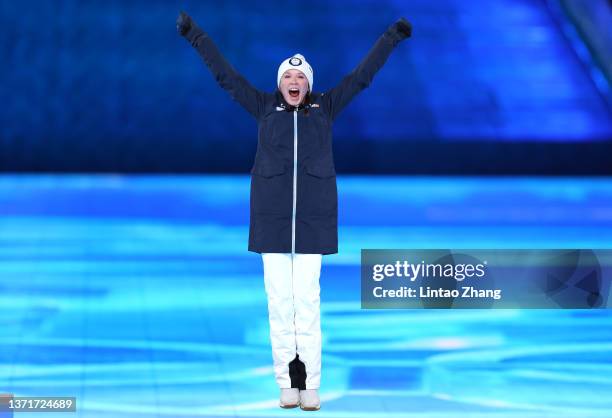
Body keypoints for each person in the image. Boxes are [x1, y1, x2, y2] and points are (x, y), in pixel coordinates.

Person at [176, 11, 412, 411]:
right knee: (279, 304)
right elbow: (225, 75)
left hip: (312, 222)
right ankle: (287, 382)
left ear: (309, 85)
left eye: (301, 78)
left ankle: (311, 384)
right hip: (271, 221)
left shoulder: (326, 108)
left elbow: (362, 76)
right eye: (288, 77)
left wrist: (392, 36)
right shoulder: (263, 108)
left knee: (307, 302)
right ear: (279, 83)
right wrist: (194, 34)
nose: (294, 83)